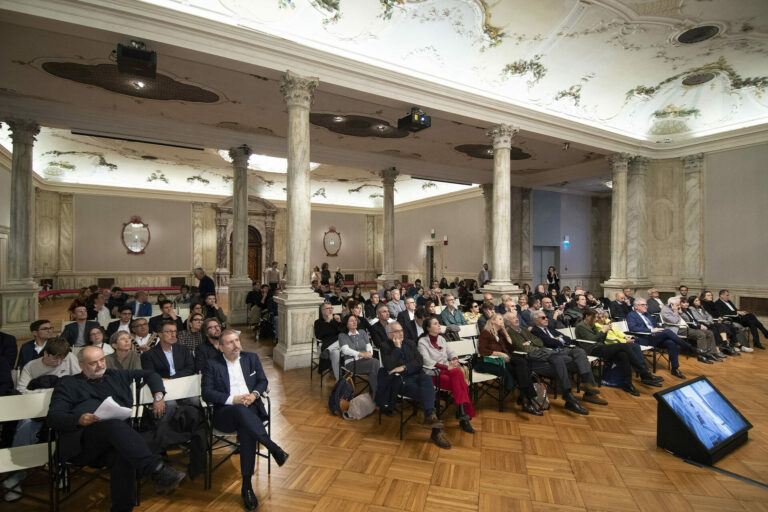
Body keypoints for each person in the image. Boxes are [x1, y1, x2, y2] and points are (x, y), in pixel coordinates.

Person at [47, 346, 185, 511]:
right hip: (83, 444)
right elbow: (53, 417)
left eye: (102, 360)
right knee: (113, 425)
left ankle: (123, 509)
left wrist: (158, 396)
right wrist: (78, 419)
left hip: (117, 441)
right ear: (81, 365)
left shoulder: (115, 375)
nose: (100, 365)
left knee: (121, 454)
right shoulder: (68, 383)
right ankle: (155, 469)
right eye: (93, 363)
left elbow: (150, 374)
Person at [201, 330, 289, 511]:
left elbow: (262, 381)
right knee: (240, 410)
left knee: (247, 431)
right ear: (220, 347)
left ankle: (247, 487)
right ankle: (273, 447)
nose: (236, 345)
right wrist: (234, 399)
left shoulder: (251, 358)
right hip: (225, 414)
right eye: (230, 343)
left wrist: (254, 395)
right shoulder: (212, 364)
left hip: (251, 410)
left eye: (237, 341)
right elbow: (207, 393)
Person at [3, 338, 80, 501]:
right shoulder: (32, 366)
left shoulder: (69, 359)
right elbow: (21, 391)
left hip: (62, 408)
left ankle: (59, 467)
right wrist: (47, 393)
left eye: (62, 359)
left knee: (69, 426)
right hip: (35, 409)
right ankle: (17, 474)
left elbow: (78, 382)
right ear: (45, 353)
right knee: (25, 426)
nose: (58, 362)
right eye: (55, 358)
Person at [377, 322, 450, 449]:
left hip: (416, 375)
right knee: (429, 394)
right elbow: (389, 366)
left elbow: (419, 362)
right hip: (400, 381)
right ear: (389, 335)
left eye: (401, 330)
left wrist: (403, 367)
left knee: (427, 378)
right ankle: (435, 431)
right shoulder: (385, 346)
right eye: (397, 331)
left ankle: (430, 416)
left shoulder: (410, 343)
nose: (401, 333)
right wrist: (397, 348)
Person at [505, 313, 589, 415]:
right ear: (508, 322)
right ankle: (569, 398)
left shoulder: (523, 329)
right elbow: (522, 348)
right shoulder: (509, 332)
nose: (516, 319)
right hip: (532, 359)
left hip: (544, 354)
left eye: (516, 317)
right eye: (513, 318)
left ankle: (582, 391)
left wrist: (531, 343)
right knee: (560, 360)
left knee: (574, 360)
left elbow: (539, 341)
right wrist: (534, 345)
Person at [575, 309, 662, 395]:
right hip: (591, 350)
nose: (596, 319)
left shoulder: (592, 325)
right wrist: (603, 331)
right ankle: (644, 373)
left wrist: (605, 332)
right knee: (625, 346)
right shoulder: (581, 326)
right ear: (587, 316)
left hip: (600, 347)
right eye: (594, 317)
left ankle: (627, 384)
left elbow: (601, 339)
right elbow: (592, 340)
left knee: (623, 355)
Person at [529, 311, 607, 406]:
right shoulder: (535, 331)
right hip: (555, 353)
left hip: (565, 349)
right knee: (580, 361)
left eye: (546, 317)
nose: (546, 319)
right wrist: (559, 339)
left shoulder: (550, 328)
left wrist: (559, 339)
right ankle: (589, 393)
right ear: (536, 321)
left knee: (580, 351)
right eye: (543, 318)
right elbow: (549, 343)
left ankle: (587, 383)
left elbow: (568, 338)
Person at [417, 317, 475, 433]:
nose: (439, 326)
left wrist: (454, 359)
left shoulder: (441, 339)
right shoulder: (422, 342)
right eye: (435, 324)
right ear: (428, 328)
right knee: (461, 382)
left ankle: (463, 415)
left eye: (439, 323)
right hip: (433, 373)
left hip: (447, 370)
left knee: (457, 372)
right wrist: (446, 366)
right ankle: (463, 417)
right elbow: (427, 361)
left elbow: (451, 352)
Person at [476, 313, 542, 416]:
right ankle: (527, 398)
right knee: (522, 364)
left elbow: (511, 347)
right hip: (494, 361)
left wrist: (505, 332)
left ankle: (525, 399)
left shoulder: (501, 333)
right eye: (500, 319)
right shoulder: (485, 333)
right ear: (493, 321)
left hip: (507, 359)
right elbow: (482, 351)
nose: (502, 321)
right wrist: (500, 353)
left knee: (524, 363)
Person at [626, 298, 700, 379]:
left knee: (671, 343)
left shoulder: (647, 314)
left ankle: (675, 369)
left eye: (646, 304)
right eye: (643, 305)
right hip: (644, 338)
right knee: (667, 331)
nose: (646, 306)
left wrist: (660, 328)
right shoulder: (631, 315)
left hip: (655, 337)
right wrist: (651, 330)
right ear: (636, 307)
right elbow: (633, 328)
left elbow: (656, 324)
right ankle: (690, 348)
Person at [661, 298, 720, 363]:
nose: (679, 306)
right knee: (700, 334)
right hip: (676, 329)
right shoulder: (665, 310)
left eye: (679, 304)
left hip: (685, 327)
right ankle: (701, 356)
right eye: (677, 304)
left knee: (709, 333)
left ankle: (711, 353)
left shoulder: (678, 308)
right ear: (671, 304)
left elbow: (687, 320)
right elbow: (674, 321)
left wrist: (681, 313)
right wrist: (675, 312)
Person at [339, 315, 380, 396]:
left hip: (366, 361)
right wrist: (362, 354)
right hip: (351, 363)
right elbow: (345, 350)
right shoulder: (342, 335)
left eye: (355, 320)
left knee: (373, 368)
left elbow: (369, 346)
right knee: (375, 363)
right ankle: (378, 394)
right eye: (351, 321)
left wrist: (369, 354)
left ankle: (376, 394)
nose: (355, 322)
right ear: (346, 324)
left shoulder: (362, 332)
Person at [314, 303, 342, 379]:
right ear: (322, 311)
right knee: (336, 353)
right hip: (327, 343)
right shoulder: (318, 322)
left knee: (342, 339)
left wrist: (339, 322)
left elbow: (342, 333)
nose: (330, 310)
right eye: (328, 308)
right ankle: (339, 379)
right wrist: (328, 322)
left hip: (339, 343)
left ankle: (328, 350)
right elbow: (319, 336)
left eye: (331, 308)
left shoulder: (336, 320)